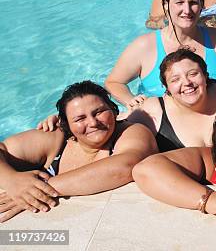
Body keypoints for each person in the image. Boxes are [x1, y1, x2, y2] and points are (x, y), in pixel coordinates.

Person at [0, 81, 157, 222]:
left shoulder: (132, 132)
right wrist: (12, 180)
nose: (93, 122)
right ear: (66, 124)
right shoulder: (56, 137)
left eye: (99, 112)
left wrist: (37, 189)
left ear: (114, 110)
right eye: (80, 119)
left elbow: (126, 166)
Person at [39, 50, 216, 152]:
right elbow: (110, 123)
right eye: (175, 79)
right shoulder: (153, 109)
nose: (186, 83)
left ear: (205, 76)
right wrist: (62, 121)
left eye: (193, 74)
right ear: (166, 88)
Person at [106, 0, 216, 111]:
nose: (187, 10)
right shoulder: (144, 46)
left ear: (202, 5)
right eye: (179, 3)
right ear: (165, 5)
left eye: (193, 3)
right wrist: (131, 101)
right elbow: (113, 82)